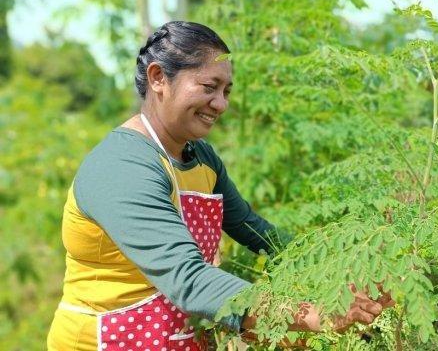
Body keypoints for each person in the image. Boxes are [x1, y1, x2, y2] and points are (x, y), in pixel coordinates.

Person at [47, 21, 387, 351]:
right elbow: (189, 280)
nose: (221, 104)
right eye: (209, 87)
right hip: (105, 340)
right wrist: (312, 313)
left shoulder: (201, 158)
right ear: (158, 78)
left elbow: (257, 233)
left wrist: (344, 271)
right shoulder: (122, 166)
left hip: (176, 338)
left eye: (226, 91)